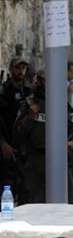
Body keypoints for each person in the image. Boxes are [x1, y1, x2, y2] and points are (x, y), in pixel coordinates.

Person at [14, 69, 73, 238]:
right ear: (39, 81)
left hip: (60, 160)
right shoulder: (29, 105)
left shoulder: (62, 105)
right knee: (40, 208)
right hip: (37, 161)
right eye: (45, 81)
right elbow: (16, 135)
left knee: (71, 206)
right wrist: (29, 119)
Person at [0, 57, 32, 199]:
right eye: (18, 68)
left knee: (26, 192)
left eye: (23, 68)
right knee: (7, 192)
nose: (21, 71)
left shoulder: (29, 92)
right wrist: (2, 143)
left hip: (24, 150)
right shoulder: (3, 92)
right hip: (6, 149)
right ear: (11, 69)